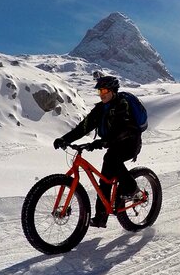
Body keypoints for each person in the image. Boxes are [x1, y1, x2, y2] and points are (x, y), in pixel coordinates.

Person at [53, 75, 143, 228]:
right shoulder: (100, 109)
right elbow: (83, 127)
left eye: (105, 90)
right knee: (105, 178)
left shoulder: (122, 104)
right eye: (100, 91)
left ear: (113, 91)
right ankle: (101, 217)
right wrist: (65, 139)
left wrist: (103, 142)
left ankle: (133, 189)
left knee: (112, 160)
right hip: (114, 144)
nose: (102, 94)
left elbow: (123, 128)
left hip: (130, 142)